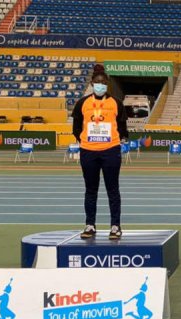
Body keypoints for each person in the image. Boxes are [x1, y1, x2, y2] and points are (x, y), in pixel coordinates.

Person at [72, 64, 128, 240]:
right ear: (92, 83)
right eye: (97, 82)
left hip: (110, 151)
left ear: (108, 84)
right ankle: (90, 225)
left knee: (113, 189)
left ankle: (115, 226)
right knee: (91, 190)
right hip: (88, 152)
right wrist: (86, 142)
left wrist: (116, 141)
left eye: (103, 82)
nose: (100, 85)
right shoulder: (82, 103)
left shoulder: (116, 103)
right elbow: (75, 128)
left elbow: (122, 127)